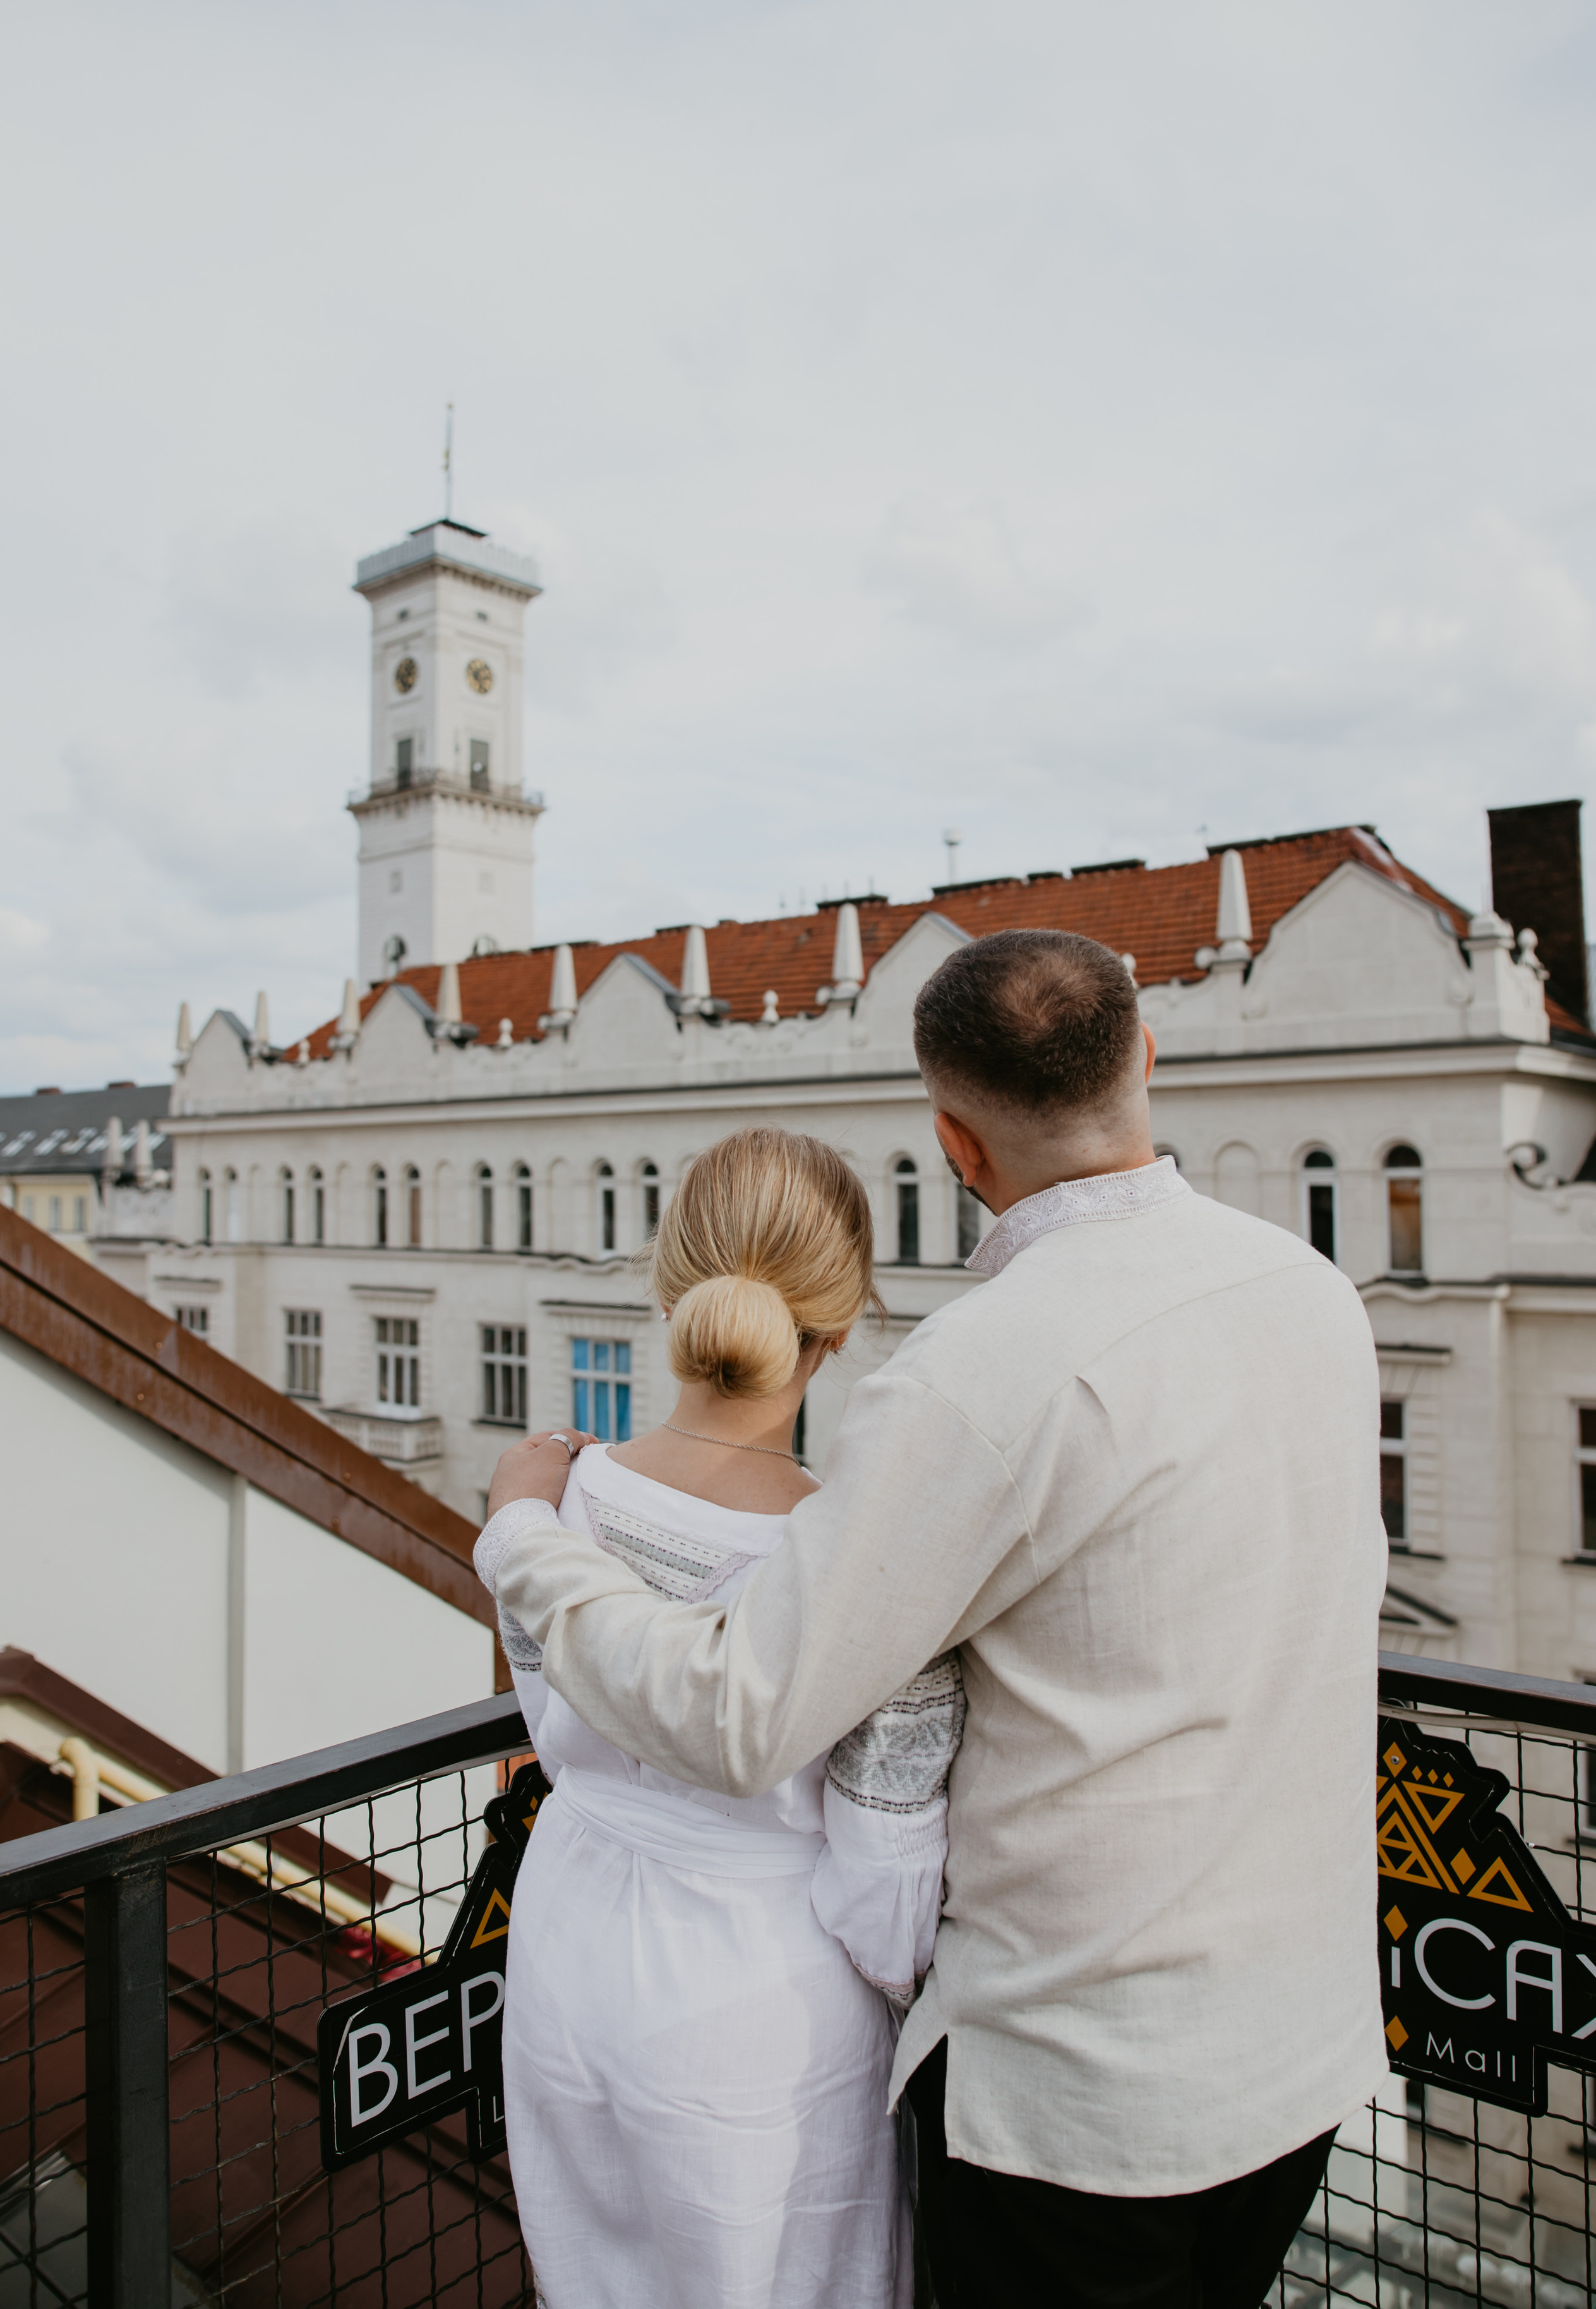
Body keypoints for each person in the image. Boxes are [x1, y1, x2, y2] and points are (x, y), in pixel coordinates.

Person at [482, 928, 1388, 2308]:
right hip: (1295, 2038)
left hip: (1081, 2087)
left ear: (954, 1144)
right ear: (1146, 1059)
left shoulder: (978, 1368)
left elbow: (741, 1714)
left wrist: (526, 1543)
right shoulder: (1309, 1289)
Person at [475, 1127, 963, 2309]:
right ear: (839, 1329)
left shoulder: (554, 1496)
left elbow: (550, 1715)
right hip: (763, 2000)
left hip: (568, 1938)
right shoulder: (849, 1553)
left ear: (669, 1292)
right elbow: (886, 1884)